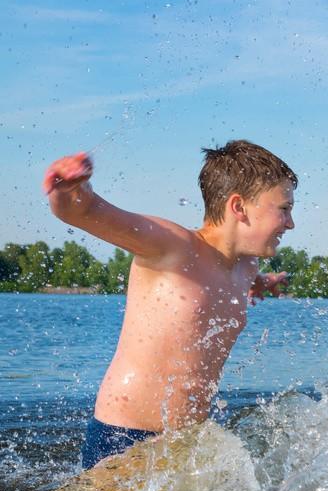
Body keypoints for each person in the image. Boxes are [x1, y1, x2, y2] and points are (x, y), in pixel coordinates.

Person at [43, 140, 296, 469]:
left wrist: (263, 283)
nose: (290, 223)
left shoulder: (246, 266)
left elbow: (221, 286)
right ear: (239, 207)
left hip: (185, 444)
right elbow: (83, 211)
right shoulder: (171, 245)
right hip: (125, 437)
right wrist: (67, 187)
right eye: (284, 209)